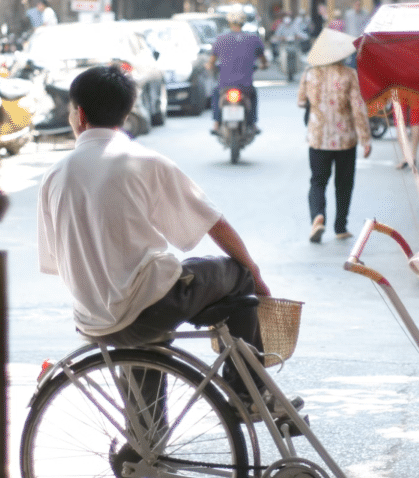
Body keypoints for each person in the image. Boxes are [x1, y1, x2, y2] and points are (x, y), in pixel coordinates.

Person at [37, 65, 301, 419]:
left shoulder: (54, 175)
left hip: (94, 320)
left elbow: (56, 260)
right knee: (236, 277)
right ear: (127, 114)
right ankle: (247, 394)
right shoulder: (143, 162)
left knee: (139, 313)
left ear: (79, 115)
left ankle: (146, 446)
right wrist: (253, 272)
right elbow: (213, 223)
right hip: (149, 308)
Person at [297, 28, 372, 243]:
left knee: (318, 181)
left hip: (318, 138)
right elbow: (358, 108)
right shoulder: (349, 75)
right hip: (345, 140)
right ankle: (340, 226)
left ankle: (318, 217)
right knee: (344, 183)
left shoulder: (310, 74)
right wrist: (366, 140)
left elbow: (301, 101)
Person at [207, 11, 268, 135]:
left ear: (229, 23)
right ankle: (253, 123)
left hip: (225, 85)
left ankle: (216, 123)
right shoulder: (254, 39)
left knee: (216, 93)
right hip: (245, 85)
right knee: (253, 95)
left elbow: (211, 62)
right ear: (243, 23)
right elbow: (264, 60)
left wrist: (210, 66)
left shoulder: (220, 39)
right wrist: (263, 66)